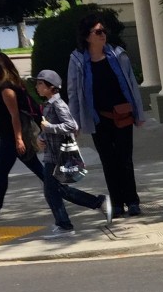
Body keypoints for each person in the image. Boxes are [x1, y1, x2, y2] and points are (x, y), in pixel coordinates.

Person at [67, 13, 146, 217]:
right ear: (87, 36)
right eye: (98, 32)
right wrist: (74, 122)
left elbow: (131, 85)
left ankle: (132, 201)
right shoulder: (78, 61)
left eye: (104, 31)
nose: (103, 35)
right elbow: (74, 93)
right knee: (108, 161)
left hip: (122, 115)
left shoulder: (118, 55)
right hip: (98, 118)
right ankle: (117, 203)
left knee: (124, 159)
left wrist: (139, 113)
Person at [34, 70, 113, 235]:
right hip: (52, 153)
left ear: (51, 87)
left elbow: (71, 126)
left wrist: (49, 128)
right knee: (57, 189)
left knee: (51, 191)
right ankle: (98, 203)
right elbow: (48, 127)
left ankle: (65, 225)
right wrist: (41, 137)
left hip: (59, 154)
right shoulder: (49, 104)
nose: (37, 87)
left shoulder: (58, 104)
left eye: (40, 83)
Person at [0, 52, 46, 220]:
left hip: (11, 140)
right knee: (38, 171)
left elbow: (14, 116)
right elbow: (0, 113)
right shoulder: (4, 87)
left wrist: (18, 140)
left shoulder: (7, 89)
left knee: (3, 173)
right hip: (10, 138)